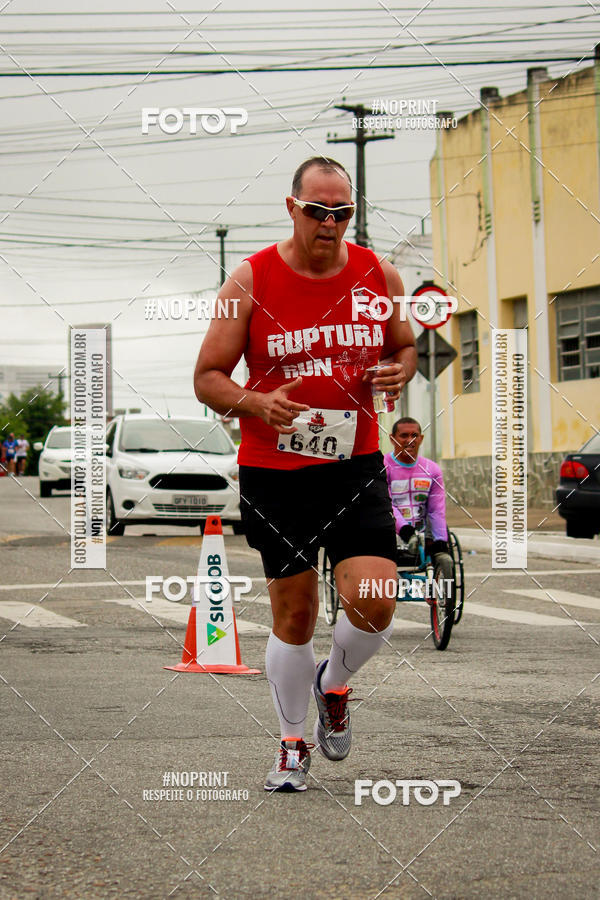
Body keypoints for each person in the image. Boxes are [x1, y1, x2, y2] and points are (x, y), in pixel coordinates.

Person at [194, 156, 416, 792]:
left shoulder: (379, 274)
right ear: (292, 207)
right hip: (276, 471)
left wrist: (401, 367)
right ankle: (292, 743)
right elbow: (208, 376)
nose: (330, 222)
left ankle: (334, 684)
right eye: (318, 210)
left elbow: (403, 344)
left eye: (342, 212)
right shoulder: (251, 280)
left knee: (375, 599)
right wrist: (258, 403)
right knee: (294, 615)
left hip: (353, 464)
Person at [383, 417, 453, 568]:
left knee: (432, 519)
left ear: (421, 439)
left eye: (414, 435)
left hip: (421, 531)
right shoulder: (383, 466)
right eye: (404, 436)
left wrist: (441, 542)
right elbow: (386, 504)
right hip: (389, 530)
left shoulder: (432, 470)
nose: (410, 440)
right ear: (392, 438)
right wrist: (406, 532)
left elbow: (437, 510)